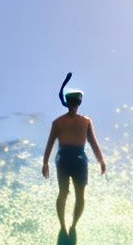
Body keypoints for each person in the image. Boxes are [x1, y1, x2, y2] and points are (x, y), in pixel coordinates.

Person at [42, 88, 106, 234]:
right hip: (63, 159)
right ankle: (62, 225)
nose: (74, 107)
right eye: (72, 103)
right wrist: (45, 163)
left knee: (80, 194)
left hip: (79, 160)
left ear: (79, 104)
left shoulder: (86, 122)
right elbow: (50, 143)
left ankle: (74, 225)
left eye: (76, 103)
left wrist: (101, 161)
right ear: (67, 103)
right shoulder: (57, 123)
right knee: (63, 192)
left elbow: (93, 143)